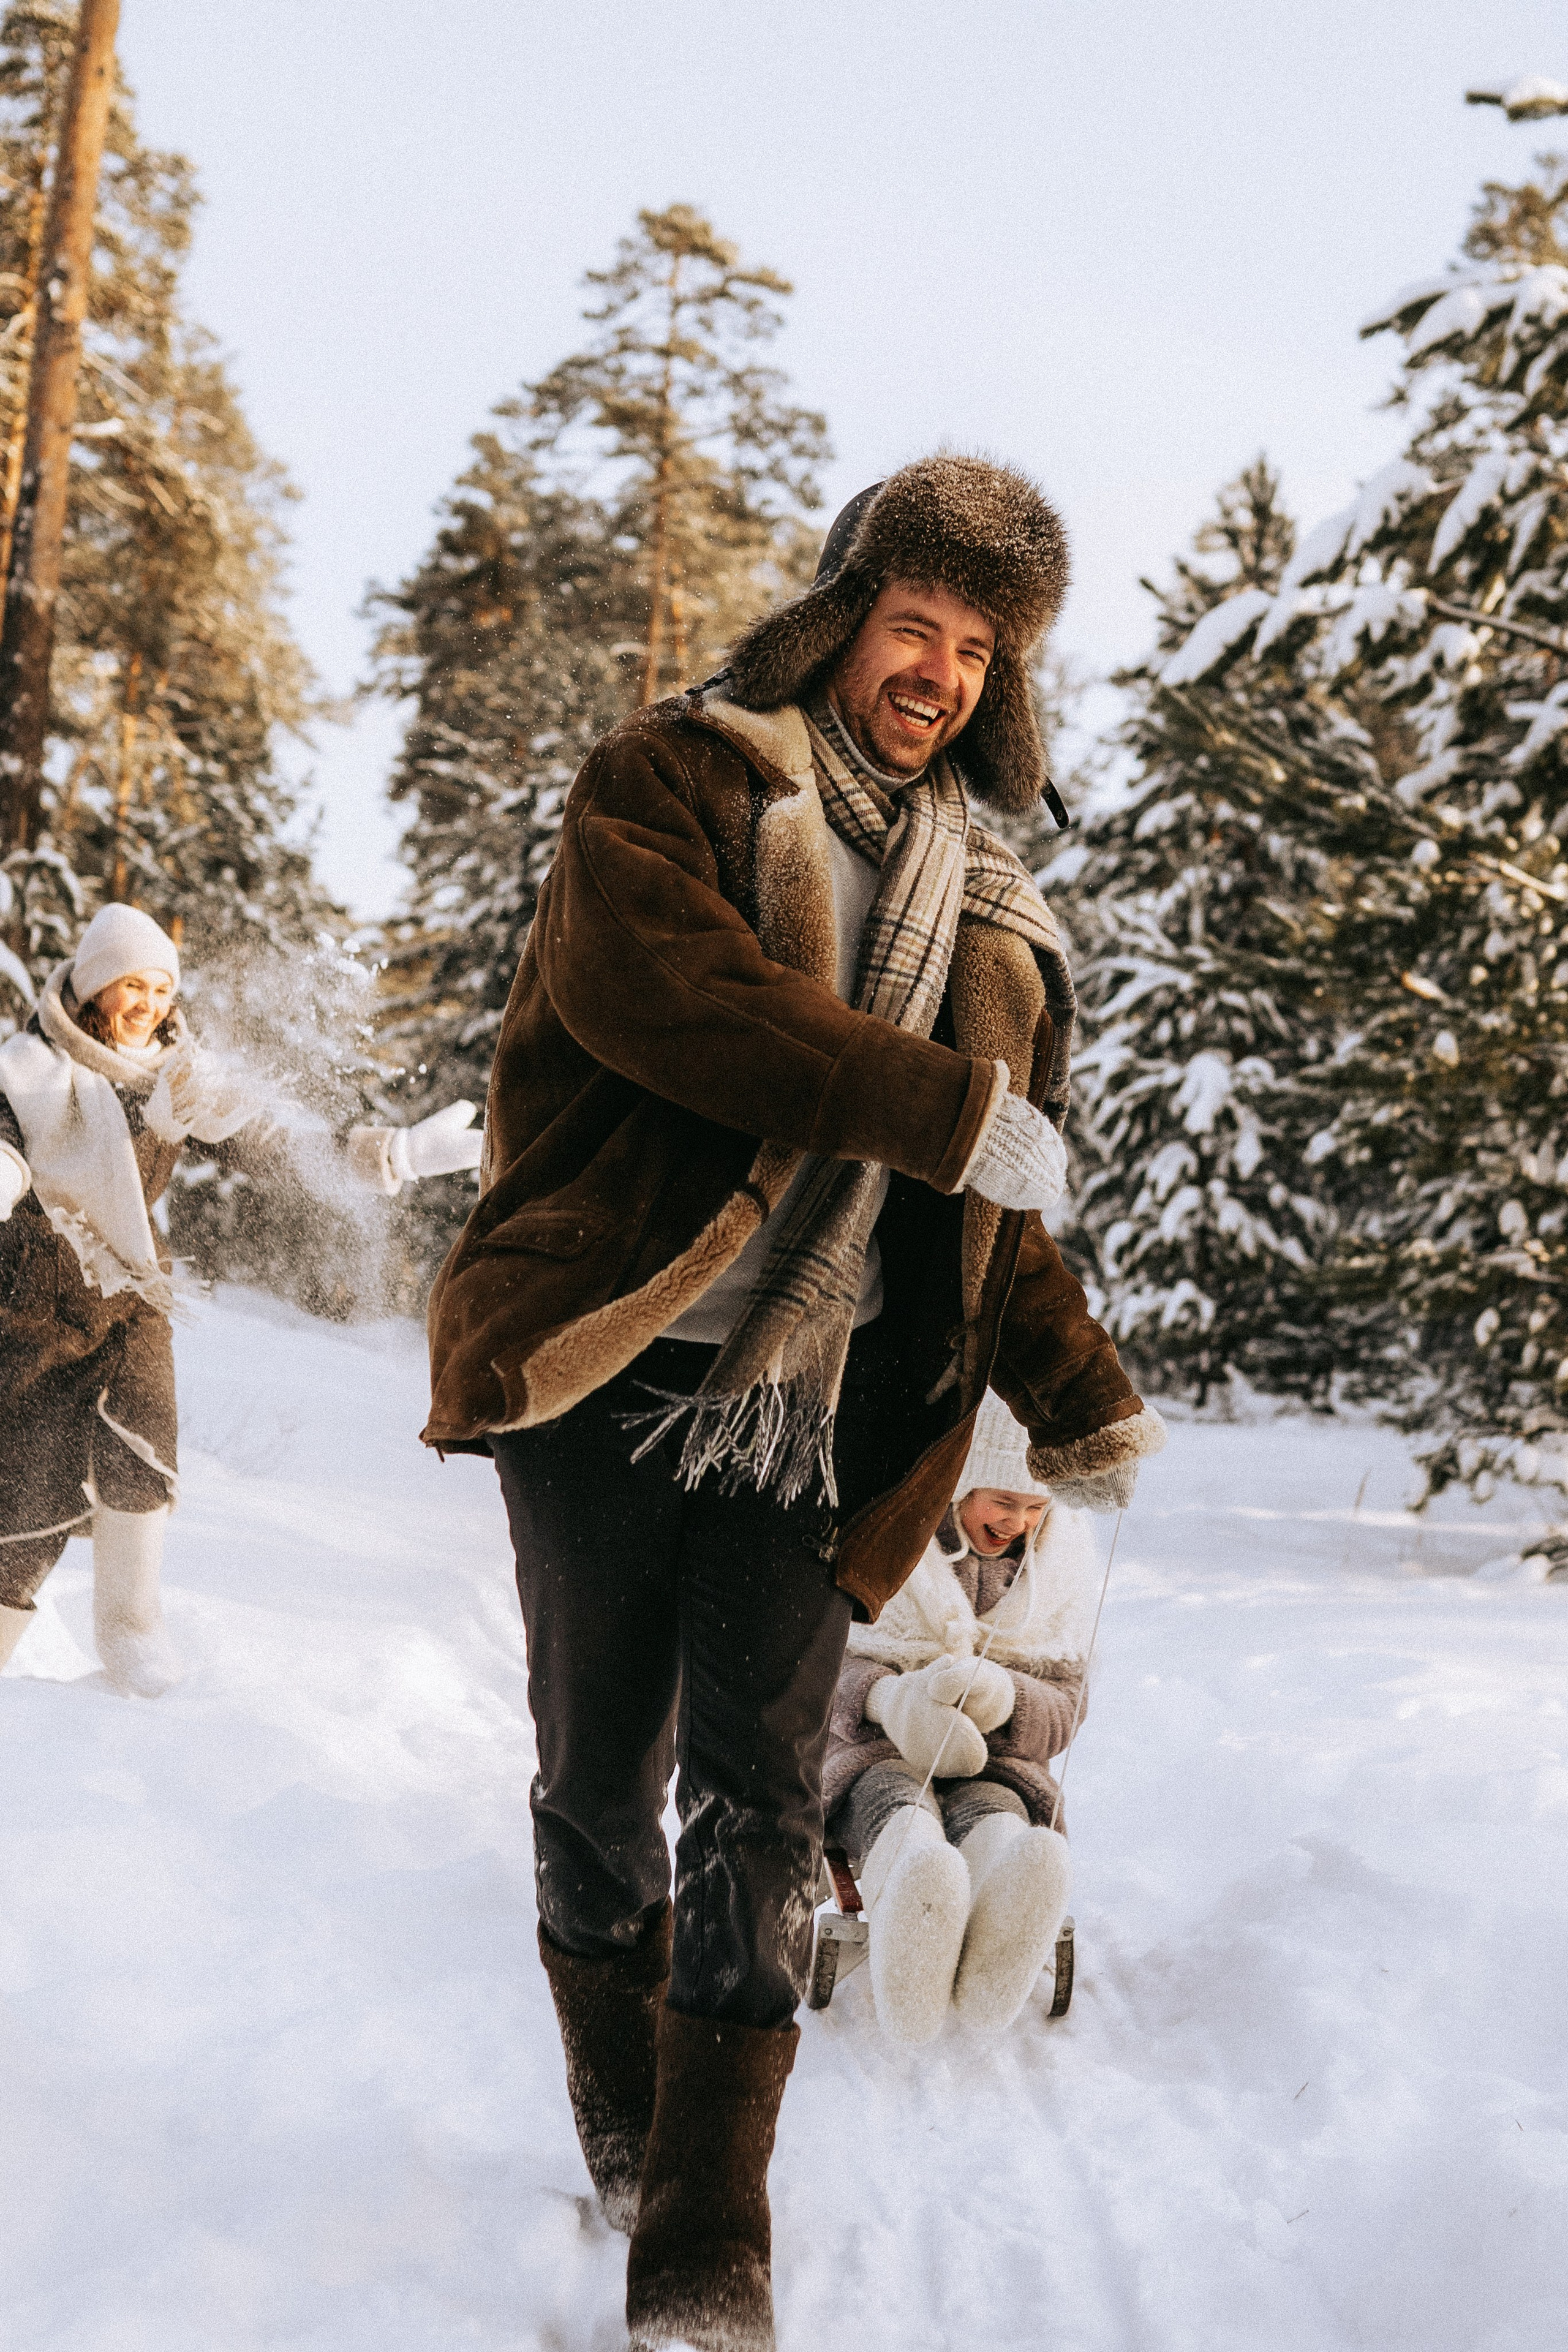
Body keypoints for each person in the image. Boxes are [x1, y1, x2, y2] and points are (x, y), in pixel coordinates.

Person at [422, 455, 1166, 2352]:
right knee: (600, 1776)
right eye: (914, 622)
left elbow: (991, 1200)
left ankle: (703, 2244)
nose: (938, 668)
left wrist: (1069, 1381)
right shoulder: (673, 778)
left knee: (755, 1790)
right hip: (609, 1357)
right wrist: (931, 1105)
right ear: (841, 615)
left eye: (978, 646)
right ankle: (623, 2118)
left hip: (806, 1408)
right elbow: (664, 1000)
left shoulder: (988, 913)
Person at [0, 902, 483, 1695]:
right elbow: (7, 1141)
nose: (150, 1004)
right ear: (92, 988)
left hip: (128, 1295)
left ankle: (132, 1633)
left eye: (162, 988)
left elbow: (275, 1146)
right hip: (31, 1302)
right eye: (132, 985)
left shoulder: (181, 1076)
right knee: (23, 1493)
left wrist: (387, 1155)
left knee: (143, 1451)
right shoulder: (27, 1068)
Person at [824, 1387, 1095, 2045]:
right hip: (881, 1754)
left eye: (1036, 1507)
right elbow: (819, 1671)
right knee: (892, 1799)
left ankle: (1005, 1890)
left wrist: (1006, 1699)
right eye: (1004, 1501)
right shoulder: (889, 1546)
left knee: (996, 1807)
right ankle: (917, 1886)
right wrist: (891, 1700)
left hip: (994, 1760)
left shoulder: (1055, 1576)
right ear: (961, 1487)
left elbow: (1066, 1707)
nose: (1020, 1522)